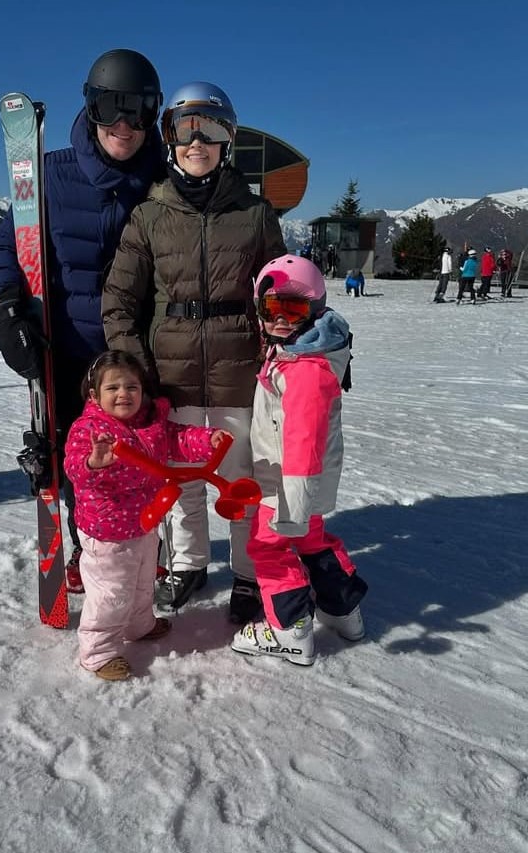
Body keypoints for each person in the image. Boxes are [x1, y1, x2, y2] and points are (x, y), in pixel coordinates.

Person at [102, 81, 287, 621]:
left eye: (209, 130)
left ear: (226, 140)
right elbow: (119, 299)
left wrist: (292, 351)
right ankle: (188, 564)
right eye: (185, 130)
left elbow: (279, 292)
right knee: (179, 480)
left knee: (239, 478)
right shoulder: (150, 214)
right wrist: (135, 367)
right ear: (170, 140)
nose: (196, 142)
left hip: (238, 372)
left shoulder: (254, 215)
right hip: (170, 374)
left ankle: (249, 575)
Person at [0, 49, 164, 594]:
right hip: (66, 347)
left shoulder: (166, 180)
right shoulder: (52, 175)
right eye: (112, 108)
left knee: (141, 457)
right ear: (90, 108)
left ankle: (142, 550)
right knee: (78, 459)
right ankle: (85, 548)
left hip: (135, 352)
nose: (125, 126)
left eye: (138, 111)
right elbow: (9, 246)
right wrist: (8, 308)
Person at [230, 255, 367, 665]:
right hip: (304, 480)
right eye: (273, 308)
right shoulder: (298, 351)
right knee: (312, 540)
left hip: (289, 481)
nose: (283, 319)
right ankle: (344, 612)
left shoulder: (305, 369)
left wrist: (291, 504)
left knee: (268, 547)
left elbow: (304, 440)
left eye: (295, 309)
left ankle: (289, 630)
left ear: (316, 310)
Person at [63, 350, 230, 681]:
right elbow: (75, 469)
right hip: (106, 531)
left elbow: (177, 437)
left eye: (131, 387)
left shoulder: (150, 423)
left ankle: (140, 625)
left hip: (144, 522)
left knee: (141, 583)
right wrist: (95, 462)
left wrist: (207, 440)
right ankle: (98, 651)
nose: (123, 394)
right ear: (95, 395)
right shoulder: (91, 430)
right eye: (113, 389)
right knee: (112, 593)